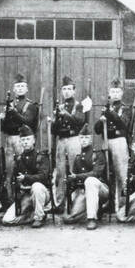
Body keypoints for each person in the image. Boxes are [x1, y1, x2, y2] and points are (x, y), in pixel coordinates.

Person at [93, 78, 132, 218]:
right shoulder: (106, 108)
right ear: (109, 93)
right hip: (106, 141)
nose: (115, 94)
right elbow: (97, 130)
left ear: (121, 93)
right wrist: (101, 120)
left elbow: (124, 124)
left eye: (117, 91)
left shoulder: (126, 108)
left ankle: (122, 204)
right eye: (112, 91)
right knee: (106, 173)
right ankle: (109, 203)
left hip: (119, 142)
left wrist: (109, 113)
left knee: (122, 174)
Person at [1, 126, 51, 228]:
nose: (25, 142)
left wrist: (26, 178)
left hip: (42, 193)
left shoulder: (41, 156)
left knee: (37, 186)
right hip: (26, 194)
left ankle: (39, 217)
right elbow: (15, 179)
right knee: (7, 220)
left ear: (34, 140)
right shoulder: (19, 159)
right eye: (23, 140)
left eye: (28, 139)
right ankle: (32, 215)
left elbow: (43, 176)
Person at [51, 75, 88, 209]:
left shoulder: (79, 106)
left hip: (74, 140)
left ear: (74, 91)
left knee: (75, 170)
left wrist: (64, 114)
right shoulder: (59, 107)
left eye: (69, 89)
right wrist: (55, 120)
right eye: (64, 89)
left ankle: (75, 202)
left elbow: (79, 121)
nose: (66, 91)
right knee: (60, 172)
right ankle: (59, 203)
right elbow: (53, 130)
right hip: (61, 141)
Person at [0, 73, 40, 191]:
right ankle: (9, 197)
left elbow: (27, 122)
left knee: (22, 169)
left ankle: (23, 196)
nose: (20, 89)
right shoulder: (9, 104)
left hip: (22, 140)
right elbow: (4, 128)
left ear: (26, 89)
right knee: (9, 170)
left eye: (22, 86)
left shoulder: (30, 105)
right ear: (14, 89)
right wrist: (3, 118)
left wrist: (13, 113)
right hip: (9, 139)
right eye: (18, 86)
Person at [63, 132, 109, 230]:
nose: (84, 140)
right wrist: (69, 181)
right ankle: (94, 209)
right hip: (84, 191)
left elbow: (96, 174)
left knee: (90, 181)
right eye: (82, 138)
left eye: (86, 137)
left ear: (91, 139)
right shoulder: (78, 157)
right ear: (79, 139)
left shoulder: (98, 154)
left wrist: (76, 176)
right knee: (68, 219)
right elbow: (74, 179)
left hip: (101, 189)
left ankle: (91, 218)